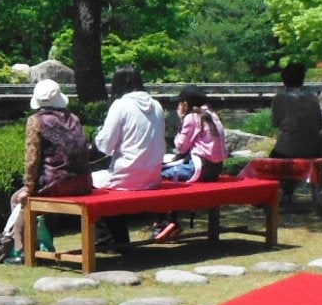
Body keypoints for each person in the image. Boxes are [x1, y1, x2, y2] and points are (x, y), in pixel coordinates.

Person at [0, 77, 93, 261]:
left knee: (18, 199)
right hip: (83, 184)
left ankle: (23, 251)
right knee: (38, 203)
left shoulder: (36, 121)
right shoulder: (74, 119)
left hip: (56, 184)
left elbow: (32, 160)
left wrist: (28, 189)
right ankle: (40, 242)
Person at [90, 65, 165, 249]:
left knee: (87, 182)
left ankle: (108, 240)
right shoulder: (156, 105)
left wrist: (95, 138)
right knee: (104, 181)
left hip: (126, 178)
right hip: (153, 178)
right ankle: (119, 240)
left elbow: (105, 145)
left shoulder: (120, 105)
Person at [152, 86, 227, 243]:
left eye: (180, 102)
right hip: (214, 169)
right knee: (169, 173)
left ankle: (164, 222)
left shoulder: (192, 117)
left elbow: (181, 146)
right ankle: (170, 221)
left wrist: (181, 120)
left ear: (185, 103)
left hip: (198, 168)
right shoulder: (212, 114)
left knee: (156, 175)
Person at [269, 62, 322, 158]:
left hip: (287, 149)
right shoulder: (313, 96)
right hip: (313, 149)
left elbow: (275, 124)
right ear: (302, 79)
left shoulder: (279, 98)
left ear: (284, 80)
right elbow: (320, 124)